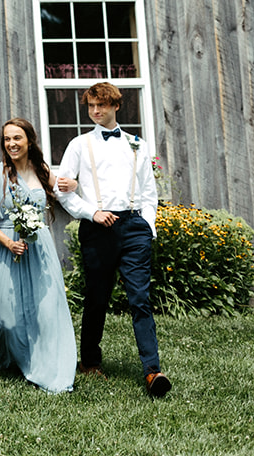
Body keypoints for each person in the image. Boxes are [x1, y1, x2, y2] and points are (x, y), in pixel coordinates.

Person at [53, 82, 171, 398]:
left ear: (115, 106)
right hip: (98, 227)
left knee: (140, 298)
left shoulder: (137, 144)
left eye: (101, 106)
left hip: (134, 227)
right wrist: (91, 212)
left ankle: (153, 371)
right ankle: (90, 361)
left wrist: (147, 226)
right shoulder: (79, 145)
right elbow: (61, 191)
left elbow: (149, 191)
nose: (95, 111)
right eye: (91, 106)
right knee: (97, 297)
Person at [0, 118, 76, 393]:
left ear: (29, 141)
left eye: (17, 138)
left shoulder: (42, 171)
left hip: (40, 249)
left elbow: (64, 190)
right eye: (7, 139)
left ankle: (46, 359)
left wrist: (72, 184)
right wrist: (7, 242)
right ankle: (1, 355)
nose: (12, 144)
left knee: (46, 309)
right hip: (7, 249)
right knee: (4, 316)